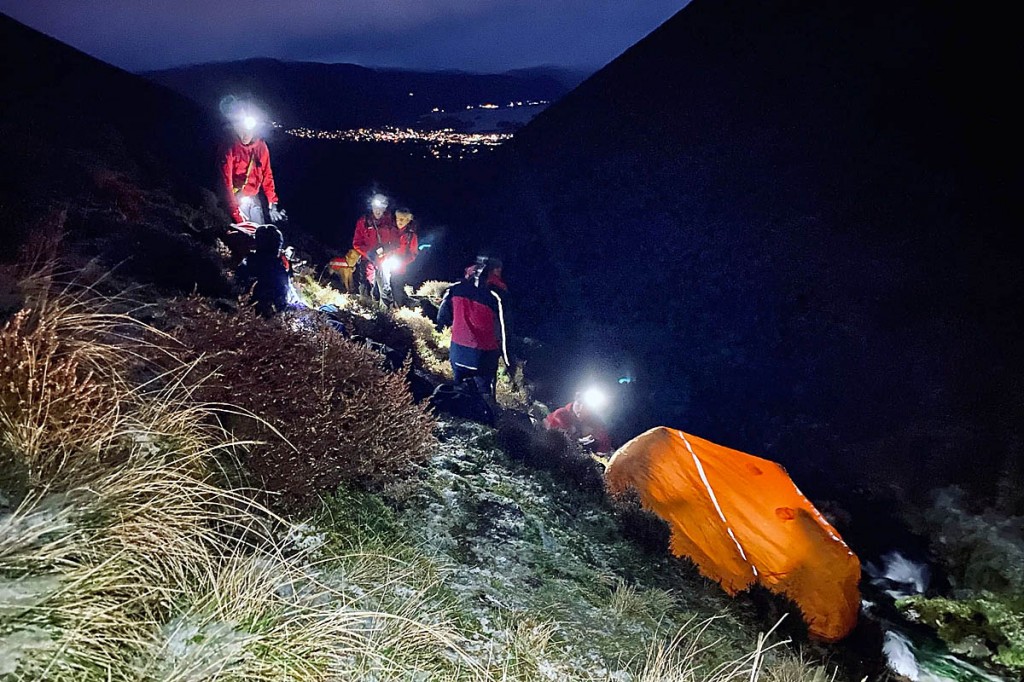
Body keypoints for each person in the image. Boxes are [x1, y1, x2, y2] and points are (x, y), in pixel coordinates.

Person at [436, 257, 511, 398]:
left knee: (459, 393)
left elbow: (442, 319)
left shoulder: (454, 289)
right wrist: (508, 362)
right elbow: (504, 331)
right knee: (484, 397)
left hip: (458, 353)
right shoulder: (495, 296)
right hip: (483, 357)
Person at [221, 107, 284, 225]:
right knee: (244, 233)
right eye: (239, 129)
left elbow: (267, 174)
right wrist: (235, 211)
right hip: (236, 198)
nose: (243, 134)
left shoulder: (261, 147)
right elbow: (225, 182)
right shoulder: (229, 146)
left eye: (246, 130)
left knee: (259, 232)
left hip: (253, 198)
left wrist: (272, 202)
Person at [236, 225, 294, 316]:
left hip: (242, 308)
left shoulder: (248, 261)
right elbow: (282, 301)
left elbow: (237, 284)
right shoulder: (277, 269)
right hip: (264, 316)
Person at [352, 193, 398, 301]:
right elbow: (356, 242)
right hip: (367, 259)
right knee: (365, 287)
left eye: (381, 208)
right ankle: (364, 311)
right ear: (372, 207)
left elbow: (396, 241)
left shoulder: (390, 221)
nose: (378, 210)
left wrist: (386, 250)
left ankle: (383, 314)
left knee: (384, 288)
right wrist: (368, 253)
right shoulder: (363, 222)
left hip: (384, 260)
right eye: (376, 207)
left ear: (385, 208)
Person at [544, 391, 614, 454]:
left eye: (587, 405)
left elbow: (606, 445)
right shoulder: (561, 415)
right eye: (579, 402)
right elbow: (552, 440)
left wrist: (596, 444)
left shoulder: (594, 422)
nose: (581, 408)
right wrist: (579, 442)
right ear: (574, 401)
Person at [388, 208, 419, 308]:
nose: (400, 221)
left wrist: (403, 262)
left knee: (397, 287)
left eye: (403, 219)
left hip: (400, 267)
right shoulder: (390, 231)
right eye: (398, 219)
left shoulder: (411, 236)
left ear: (408, 220)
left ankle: (399, 308)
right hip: (385, 264)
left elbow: (413, 253)